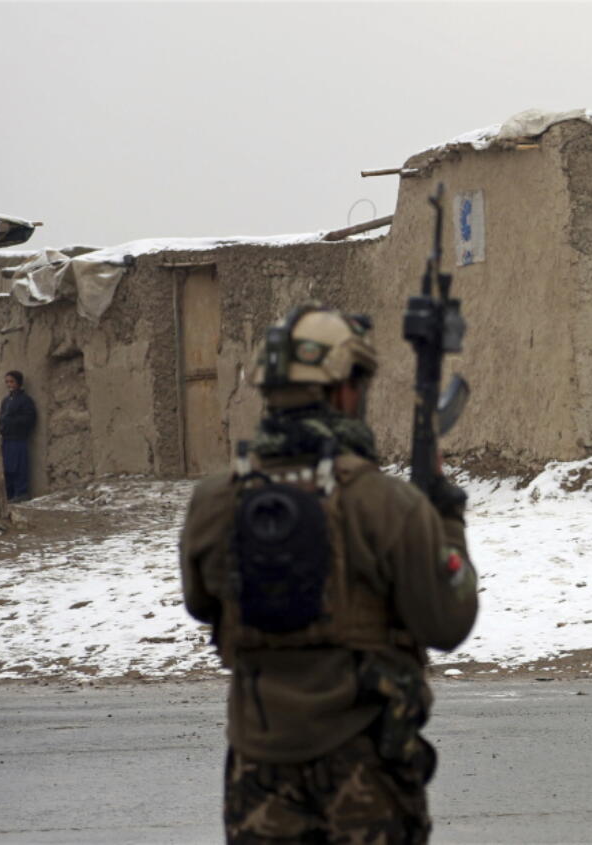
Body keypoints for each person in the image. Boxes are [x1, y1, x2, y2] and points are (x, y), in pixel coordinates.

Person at [179, 304, 478, 844]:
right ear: (344, 390)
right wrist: (446, 517)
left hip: (257, 768)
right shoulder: (387, 502)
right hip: (366, 766)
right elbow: (448, 621)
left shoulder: (213, 499)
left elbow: (202, 604)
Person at [0, 370, 37, 502]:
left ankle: (21, 493)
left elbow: (30, 418)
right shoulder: (6, 401)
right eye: (7, 382)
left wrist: (12, 421)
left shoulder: (25, 400)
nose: (9, 384)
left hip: (18, 439)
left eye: (12, 381)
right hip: (7, 439)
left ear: (18, 383)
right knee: (7, 467)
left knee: (18, 466)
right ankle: (8, 495)